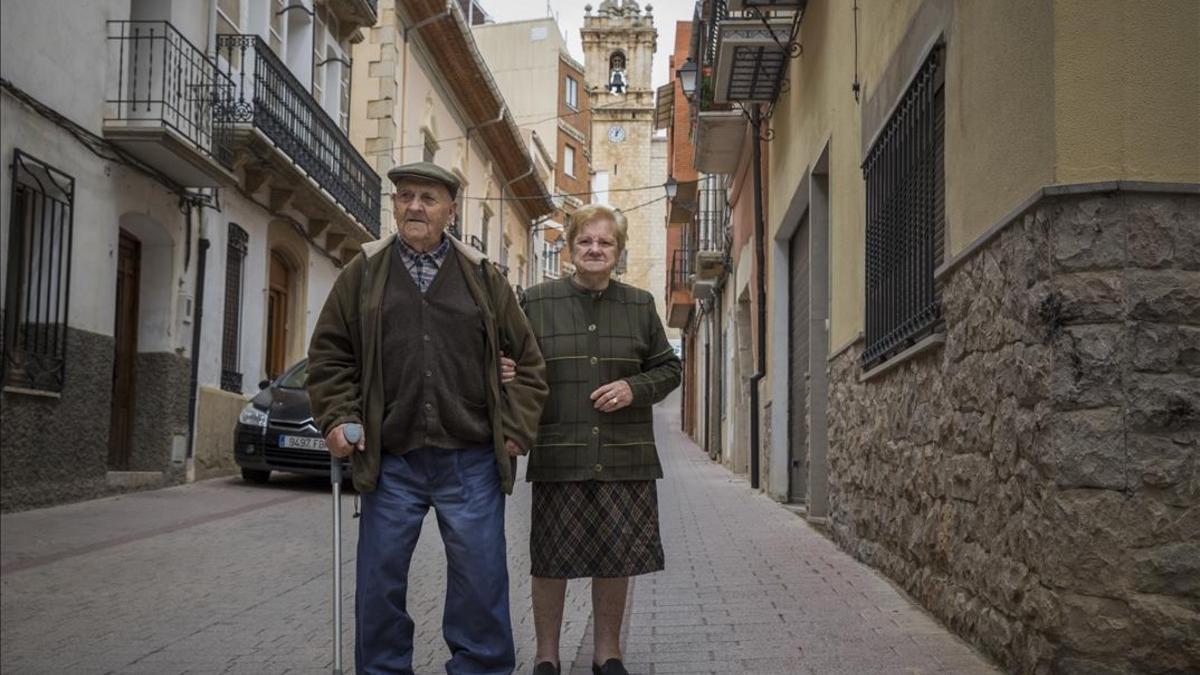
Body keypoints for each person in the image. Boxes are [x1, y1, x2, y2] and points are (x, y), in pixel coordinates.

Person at [307, 161, 548, 675]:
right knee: (380, 579)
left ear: (451, 210)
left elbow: (527, 363)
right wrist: (337, 416)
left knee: (480, 579)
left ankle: (480, 668)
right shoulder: (364, 272)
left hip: (472, 458)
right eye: (405, 196)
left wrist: (515, 434)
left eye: (428, 198)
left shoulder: (483, 276)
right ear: (393, 204)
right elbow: (330, 356)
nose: (414, 206)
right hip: (391, 459)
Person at [519, 204, 682, 675]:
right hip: (558, 452)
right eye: (585, 241)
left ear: (619, 252)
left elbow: (669, 368)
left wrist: (635, 388)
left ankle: (606, 652)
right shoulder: (535, 302)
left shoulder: (639, 305)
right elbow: (512, 365)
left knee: (615, 556)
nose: (594, 249)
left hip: (624, 454)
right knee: (549, 559)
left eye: (604, 243)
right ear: (570, 248)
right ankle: (546, 655)